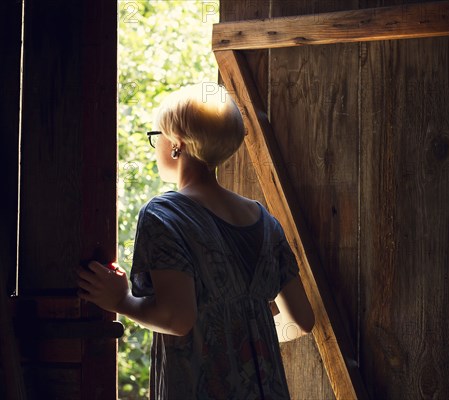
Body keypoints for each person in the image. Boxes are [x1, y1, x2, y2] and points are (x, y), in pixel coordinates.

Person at [76, 83, 315, 399]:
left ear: (177, 143)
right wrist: (240, 322)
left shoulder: (164, 214)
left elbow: (178, 319)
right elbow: (302, 320)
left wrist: (121, 301)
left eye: (156, 136)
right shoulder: (264, 220)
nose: (156, 144)